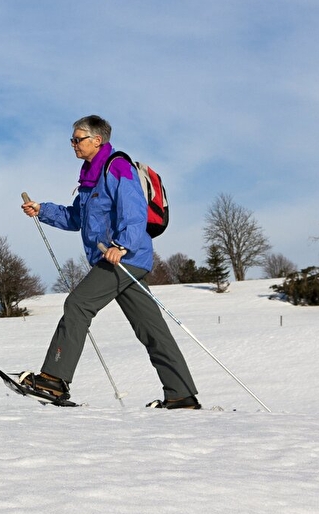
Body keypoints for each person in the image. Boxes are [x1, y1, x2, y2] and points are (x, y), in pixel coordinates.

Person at [18, 115, 201, 409]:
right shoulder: (90, 177)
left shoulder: (117, 166)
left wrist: (122, 245)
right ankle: (181, 395)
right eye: (72, 139)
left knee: (78, 304)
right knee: (152, 329)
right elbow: (76, 217)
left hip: (123, 257)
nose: (73, 144)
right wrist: (43, 210)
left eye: (78, 139)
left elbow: (135, 209)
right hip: (121, 260)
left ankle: (54, 379)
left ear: (97, 140)